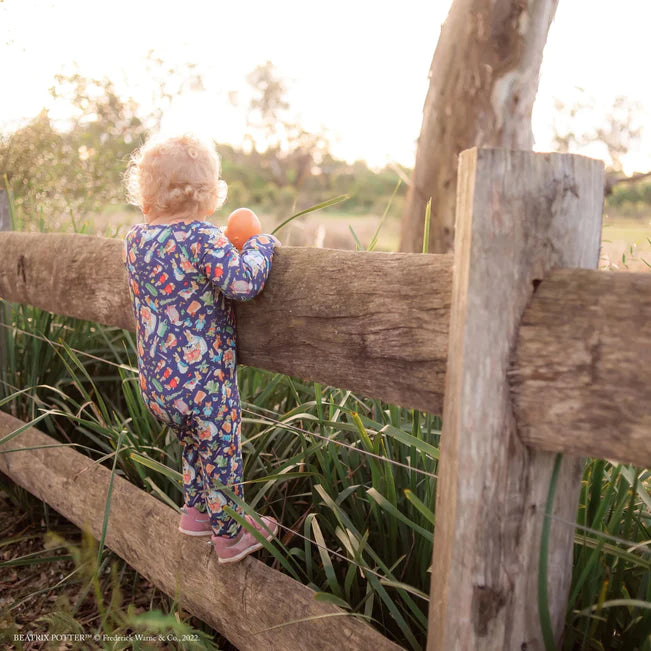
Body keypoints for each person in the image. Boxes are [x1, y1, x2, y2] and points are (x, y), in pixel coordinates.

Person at [123, 134, 278, 563]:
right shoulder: (203, 238)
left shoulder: (137, 240)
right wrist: (259, 245)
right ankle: (231, 535)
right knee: (221, 450)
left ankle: (196, 513)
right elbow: (243, 283)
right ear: (209, 194)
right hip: (204, 385)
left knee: (194, 444)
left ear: (147, 193)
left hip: (158, 386)